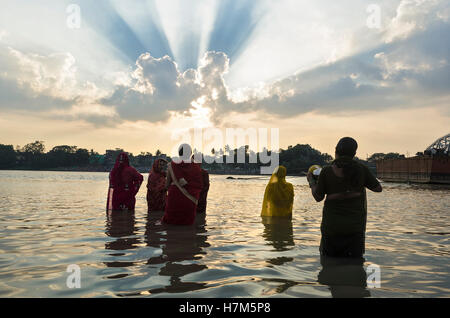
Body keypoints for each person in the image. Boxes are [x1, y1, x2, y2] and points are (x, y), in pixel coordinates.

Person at [307, 137, 382, 258]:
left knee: (329, 266)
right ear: (354, 153)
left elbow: (318, 197)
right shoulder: (361, 170)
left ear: (336, 151)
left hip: (332, 229)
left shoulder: (326, 172)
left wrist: (311, 181)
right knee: (355, 264)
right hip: (355, 229)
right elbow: (378, 188)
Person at [162, 144, 203, 225]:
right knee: (187, 221)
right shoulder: (196, 167)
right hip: (191, 196)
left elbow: (167, 185)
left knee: (171, 221)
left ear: (179, 153)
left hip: (175, 194)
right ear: (190, 153)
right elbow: (198, 184)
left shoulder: (171, 165)